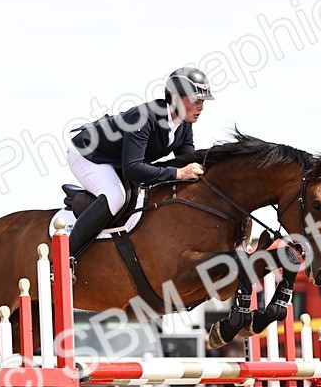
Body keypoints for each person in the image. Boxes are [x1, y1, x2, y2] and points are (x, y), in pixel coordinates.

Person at [65, 66, 214, 258]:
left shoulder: (184, 126)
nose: (201, 107)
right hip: (87, 154)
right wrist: (178, 173)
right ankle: (66, 256)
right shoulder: (144, 117)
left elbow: (186, 162)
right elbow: (133, 169)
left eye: (202, 101)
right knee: (116, 196)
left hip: (116, 159)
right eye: (195, 100)